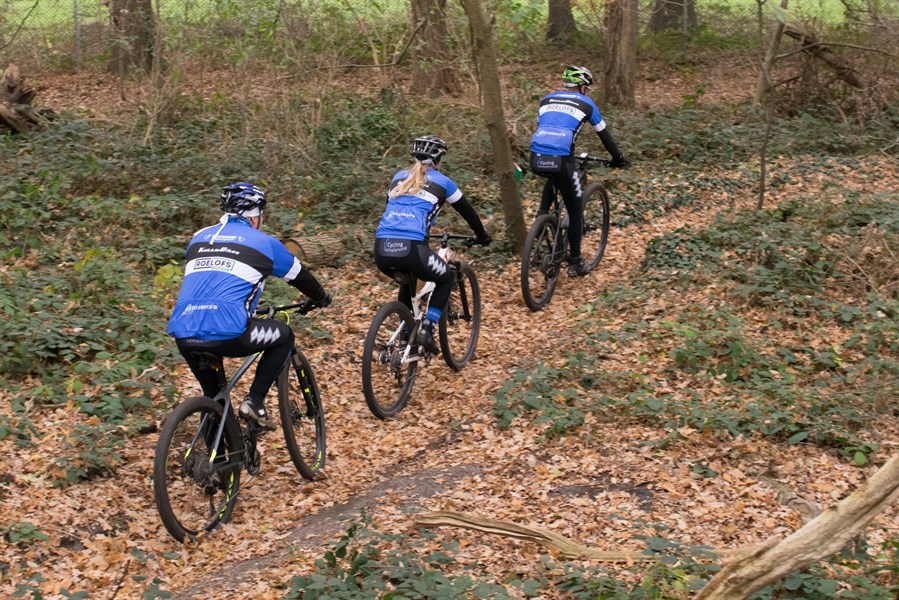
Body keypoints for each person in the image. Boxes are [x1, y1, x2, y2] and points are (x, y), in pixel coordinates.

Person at [167, 182, 332, 429]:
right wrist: (321, 298)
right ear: (256, 216)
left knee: (213, 395)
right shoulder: (265, 243)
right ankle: (255, 402)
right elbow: (301, 277)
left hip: (184, 330)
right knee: (284, 335)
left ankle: (220, 464)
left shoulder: (198, 238)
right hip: (228, 330)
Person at [374, 135, 492, 355]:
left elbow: (392, 212)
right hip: (412, 248)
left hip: (381, 248)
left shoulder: (398, 177)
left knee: (408, 283)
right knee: (445, 277)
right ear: (438, 160)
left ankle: (405, 339)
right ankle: (427, 329)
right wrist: (481, 235)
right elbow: (468, 212)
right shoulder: (444, 182)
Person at [529, 65, 629, 278]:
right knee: (575, 212)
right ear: (582, 86)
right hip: (563, 159)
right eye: (588, 87)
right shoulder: (587, 104)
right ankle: (575, 263)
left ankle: (541, 220)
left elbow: (547, 131)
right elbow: (604, 135)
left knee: (553, 173)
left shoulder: (546, 100)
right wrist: (618, 158)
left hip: (535, 156)